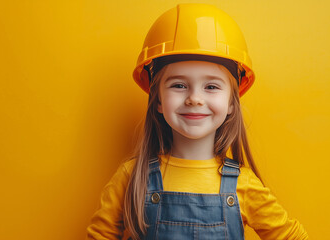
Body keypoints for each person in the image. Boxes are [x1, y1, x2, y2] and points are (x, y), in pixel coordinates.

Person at [86, 3, 308, 240]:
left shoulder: (245, 185)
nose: (194, 99)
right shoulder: (132, 177)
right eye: (179, 85)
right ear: (158, 100)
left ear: (232, 103)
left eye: (211, 86)